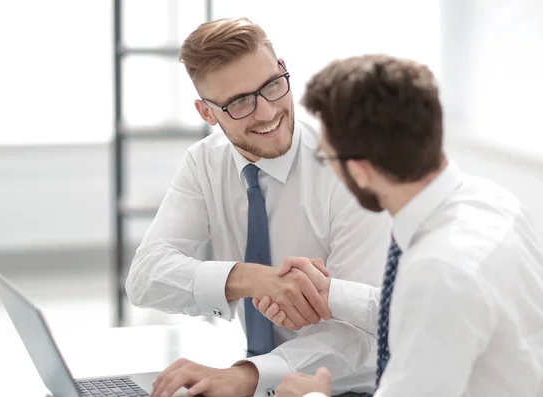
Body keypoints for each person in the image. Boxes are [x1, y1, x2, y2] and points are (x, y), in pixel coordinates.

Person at [124, 18, 392, 397]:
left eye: (271, 86)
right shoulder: (205, 162)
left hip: (350, 388)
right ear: (206, 113)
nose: (266, 113)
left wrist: (248, 375)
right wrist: (254, 278)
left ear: (282, 69)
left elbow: (360, 333)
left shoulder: (349, 171)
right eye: (238, 103)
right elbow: (145, 277)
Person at [252, 54, 543, 397]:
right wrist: (332, 294)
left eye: (327, 158)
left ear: (360, 169)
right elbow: (429, 319)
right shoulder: (492, 200)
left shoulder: (439, 272)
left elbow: (435, 301)